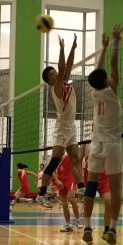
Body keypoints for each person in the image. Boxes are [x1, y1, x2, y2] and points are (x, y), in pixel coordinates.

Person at [83, 24, 123, 245]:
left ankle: (87, 225)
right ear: (106, 80)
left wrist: (102, 49)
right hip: (112, 146)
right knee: (116, 190)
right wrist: (114, 43)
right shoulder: (111, 91)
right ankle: (113, 229)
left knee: (90, 187)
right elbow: (113, 66)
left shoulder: (94, 92)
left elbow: (98, 73)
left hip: (95, 145)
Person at [38, 34, 86, 206]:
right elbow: (62, 65)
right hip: (61, 129)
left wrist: (73, 48)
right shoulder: (57, 87)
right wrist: (62, 48)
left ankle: (81, 186)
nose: (55, 74)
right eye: (51, 74)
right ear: (49, 81)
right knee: (55, 161)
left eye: (55, 73)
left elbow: (68, 65)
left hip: (71, 127)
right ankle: (41, 193)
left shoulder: (64, 80)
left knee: (75, 157)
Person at [52, 156, 81, 232]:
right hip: (61, 182)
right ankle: (68, 225)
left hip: (70, 179)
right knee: (64, 205)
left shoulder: (69, 155)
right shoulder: (56, 158)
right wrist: (57, 181)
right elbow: (52, 171)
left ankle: (78, 220)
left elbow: (78, 163)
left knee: (71, 198)